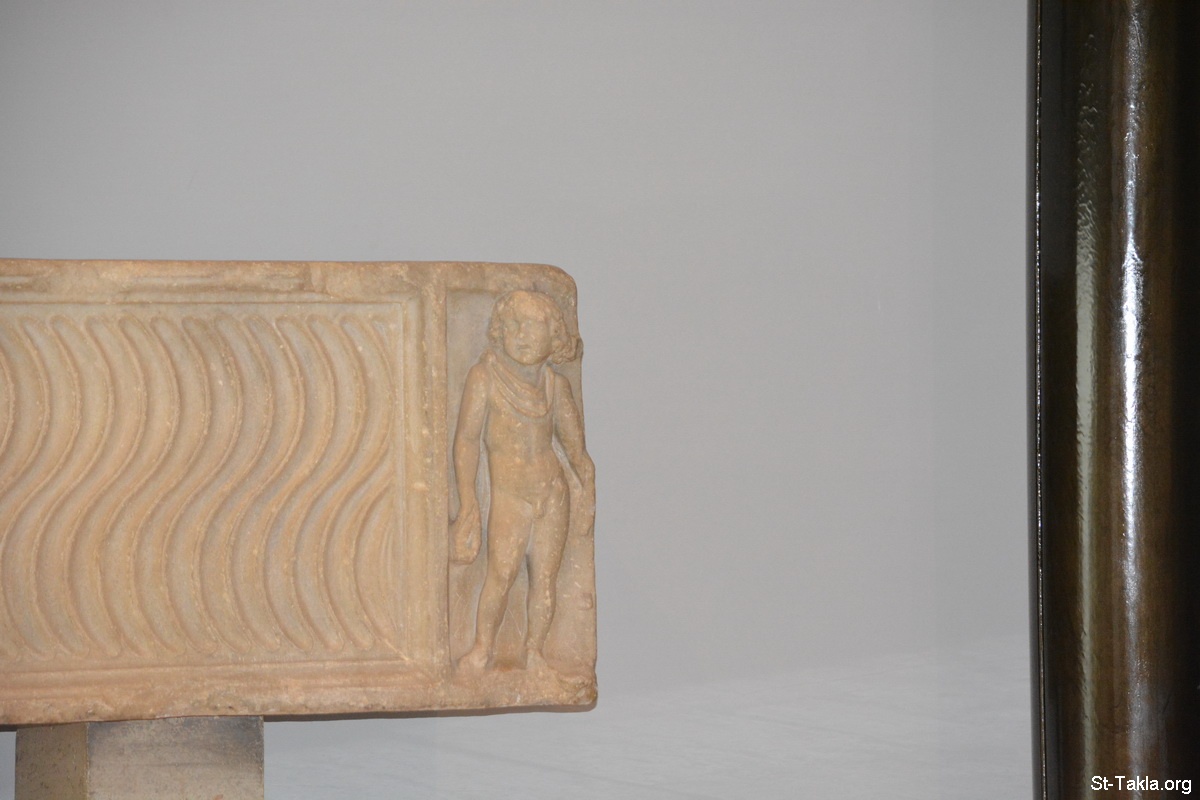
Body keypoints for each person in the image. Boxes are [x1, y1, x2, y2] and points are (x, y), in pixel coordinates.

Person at [450, 290, 595, 675]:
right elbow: (466, 441)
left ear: (553, 334)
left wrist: (588, 497)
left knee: (545, 580)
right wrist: (467, 502)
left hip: (552, 494)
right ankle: (482, 648)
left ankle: (535, 652)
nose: (520, 334)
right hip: (511, 496)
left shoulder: (555, 387)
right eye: (512, 325)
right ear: (499, 331)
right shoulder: (485, 378)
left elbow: (577, 451)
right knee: (500, 575)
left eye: (531, 326)